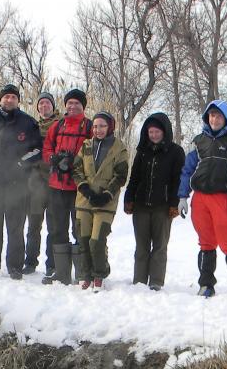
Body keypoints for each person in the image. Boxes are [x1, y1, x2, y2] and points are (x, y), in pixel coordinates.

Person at [177, 99, 227, 297]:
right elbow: (186, 170)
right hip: (200, 199)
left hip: (223, 199)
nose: (215, 119)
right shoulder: (198, 141)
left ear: (226, 118)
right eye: (211, 115)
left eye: (219, 115)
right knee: (206, 242)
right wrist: (183, 196)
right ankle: (206, 284)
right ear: (207, 117)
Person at [0, 83, 43, 278]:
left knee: (15, 227)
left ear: (18, 101)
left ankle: (14, 266)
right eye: (6, 97)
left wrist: (21, 164)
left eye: (13, 97)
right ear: (0, 100)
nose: (9, 100)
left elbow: (38, 150)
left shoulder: (28, 123)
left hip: (17, 186)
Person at [123, 112, 184, 290]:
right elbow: (134, 177)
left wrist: (174, 203)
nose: (154, 135)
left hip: (163, 207)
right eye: (151, 132)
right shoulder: (142, 151)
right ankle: (139, 281)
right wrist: (129, 197)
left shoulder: (176, 152)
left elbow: (178, 180)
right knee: (141, 246)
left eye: (157, 131)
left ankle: (156, 281)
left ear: (164, 131)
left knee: (159, 246)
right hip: (141, 205)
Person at [40, 88, 91, 285]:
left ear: (83, 106)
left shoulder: (88, 126)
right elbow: (47, 147)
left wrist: (76, 162)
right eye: (69, 103)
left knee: (80, 229)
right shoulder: (57, 125)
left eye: (77, 103)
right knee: (56, 229)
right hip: (56, 185)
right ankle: (57, 270)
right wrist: (53, 158)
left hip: (79, 188)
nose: (72, 106)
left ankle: (82, 271)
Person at [72, 111, 128, 290]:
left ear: (109, 127)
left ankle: (99, 273)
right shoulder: (86, 145)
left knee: (97, 240)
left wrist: (107, 194)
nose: (98, 130)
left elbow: (121, 175)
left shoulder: (119, 147)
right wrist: (85, 189)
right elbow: (76, 169)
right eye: (95, 126)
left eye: (102, 126)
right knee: (83, 238)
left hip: (105, 201)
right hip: (84, 200)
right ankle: (85, 273)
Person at [23, 92, 59, 277]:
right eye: (41, 104)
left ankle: (52, 264)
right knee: (34, 224)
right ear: (38, 108)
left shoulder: (61, 124)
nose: (44, 106)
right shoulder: (33, 126)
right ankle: (30, 261)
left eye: (47, 103)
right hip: (36, 182)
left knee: (53, 226)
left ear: (53, 106)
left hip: (54, 182)